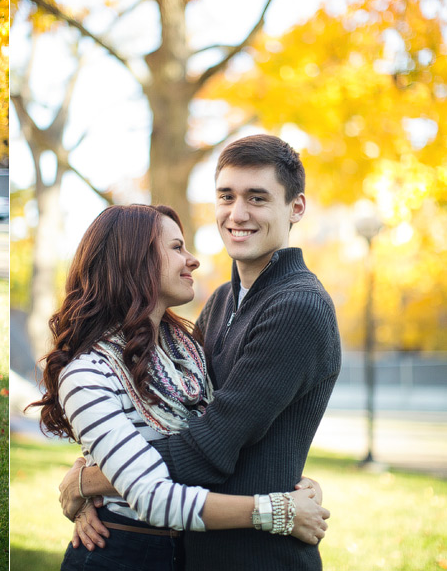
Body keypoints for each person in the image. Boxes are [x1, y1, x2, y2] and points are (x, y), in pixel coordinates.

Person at [66, 135, 342, 570]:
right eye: (226, 196)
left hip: (256, 556)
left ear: (296, 208)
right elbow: (167, 415)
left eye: (257, 198)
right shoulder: (219, 302)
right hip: (192, 550)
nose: (237, 213)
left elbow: (209, 449)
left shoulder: (297, 306)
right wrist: (92, 463)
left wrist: (94, 480)